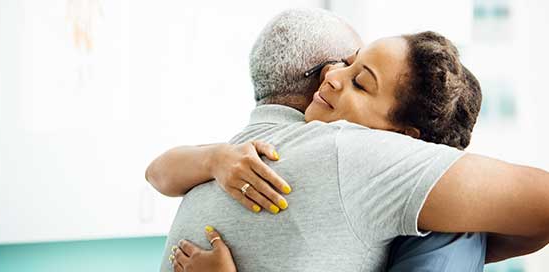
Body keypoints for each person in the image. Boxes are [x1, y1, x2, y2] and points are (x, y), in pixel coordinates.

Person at [146, 9, 548, 272]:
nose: (331, 77)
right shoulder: (322, 153)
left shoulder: (336, 151)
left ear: (406, 139)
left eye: (359, 80)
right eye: (347, 63)